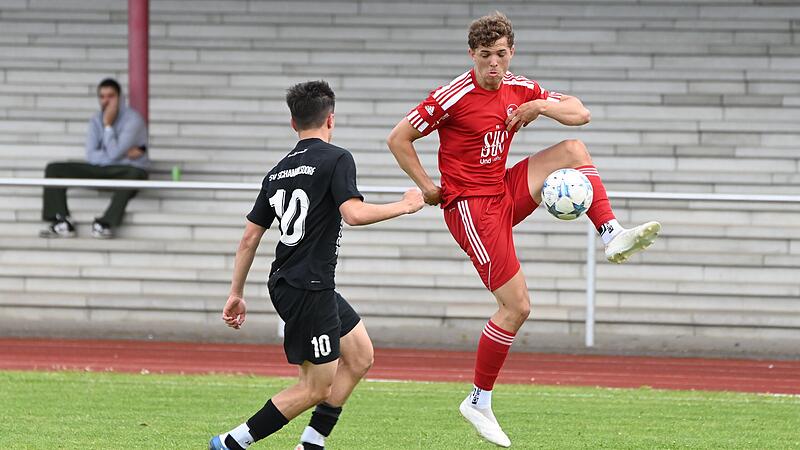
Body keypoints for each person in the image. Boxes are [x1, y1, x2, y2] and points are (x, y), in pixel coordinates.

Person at [386, 12, 661, 447]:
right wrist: (428, 188)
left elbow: (581, 113)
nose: (493, 64)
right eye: (484, 56)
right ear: (471, 55)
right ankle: (478, 400)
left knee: (573, 149)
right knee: (516, 308)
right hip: (471, 209)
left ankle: (610, 233)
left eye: (500, 54)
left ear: (511, 52)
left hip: (502, 190)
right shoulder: (450, 97)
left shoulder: (521, 88)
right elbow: (399, 138)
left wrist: (541, 106)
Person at [209, 80, 424, 450]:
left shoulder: (277, 171)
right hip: (307, 287)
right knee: (314, 387)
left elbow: (249, 238)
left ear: (293, 124)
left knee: (359, 356)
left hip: (298, 282)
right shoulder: (337, 158)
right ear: (331, 119)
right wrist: (405, 204)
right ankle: (231, 442)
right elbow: (353, 215)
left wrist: (236, 293)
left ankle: (311, 443)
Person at [40, 78, 149, 239]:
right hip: (104, 167)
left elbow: (112, 154)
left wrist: (108, 126)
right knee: (54, 168)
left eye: (110, 96)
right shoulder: (95, 119)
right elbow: (91, 155)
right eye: (102, 96)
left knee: (133, 174)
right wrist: (123, 155)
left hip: (127, 171)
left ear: (120, 98)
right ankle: (62, 221)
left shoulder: (133, 120)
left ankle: (106, 223)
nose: (106, 101)